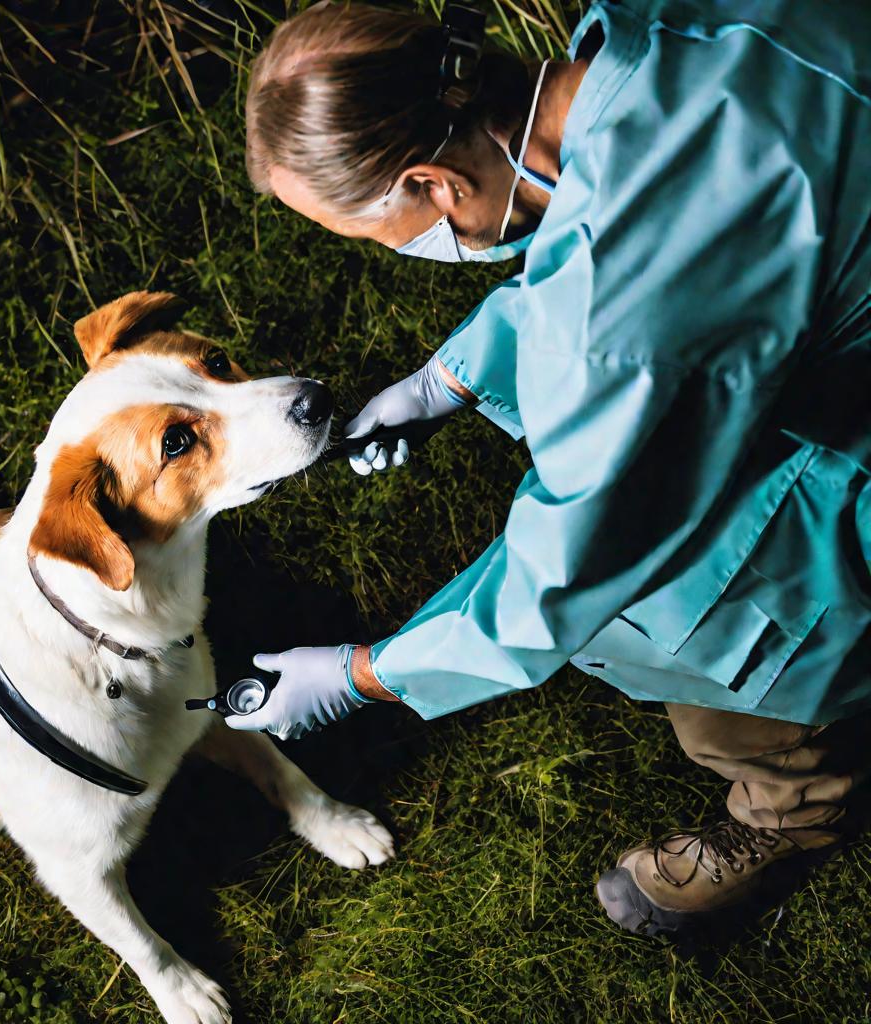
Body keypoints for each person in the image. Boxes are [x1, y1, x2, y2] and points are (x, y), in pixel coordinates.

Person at [228, 0, 871, 936]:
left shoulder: (608, 318)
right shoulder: (655, 33)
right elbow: (662, 218)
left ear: (435, 183)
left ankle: (789, 805)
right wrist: (445, 379)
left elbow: (564, 563)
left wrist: (369, 672)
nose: (409, 254)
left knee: (692, 654)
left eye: (381, 237)